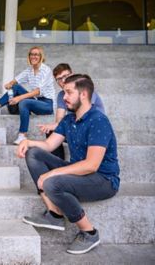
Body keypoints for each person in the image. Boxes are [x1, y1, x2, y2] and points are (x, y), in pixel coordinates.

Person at [17, 74, 119, 255]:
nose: (64, 98)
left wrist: (50, 174)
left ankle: (89, 232)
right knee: (34, 154)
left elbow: (91, 165)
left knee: (52, 182)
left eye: (69, 93)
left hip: (103, 179)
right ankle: (54, 215)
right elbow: (49, 145)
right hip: (79, 173)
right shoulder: (68, 120)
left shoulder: (98, 120)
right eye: (64, 92)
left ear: (84, 94)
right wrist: (29, 142)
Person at [0, 46, 55, 145]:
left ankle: (22, 135)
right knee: (16, 87)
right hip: (35, 101)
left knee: (24, 102)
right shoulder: (30, 70)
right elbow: (16, 80)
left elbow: (38, 91)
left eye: (36, 54)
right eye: (31, 54)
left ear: (41, 56)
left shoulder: (46, 70)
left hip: (46, 104)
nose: (34, 56)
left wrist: (19, 98)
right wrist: (10, 84)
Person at [38, 63, 105, 159]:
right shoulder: (62, 95)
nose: (63, 80)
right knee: (53, 130)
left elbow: (87, 115)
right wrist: (54, 126)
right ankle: (58, 163)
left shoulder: (85, 89)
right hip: (75, 127)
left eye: (65, 76)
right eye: (59, 79)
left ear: (72, 74)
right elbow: (59, 120)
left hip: (92, 128)